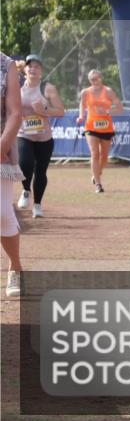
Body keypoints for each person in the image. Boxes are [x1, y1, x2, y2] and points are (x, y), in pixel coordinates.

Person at [16, 55, 65, 218]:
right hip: (23, 134)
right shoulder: (18, 89)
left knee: (41, 172)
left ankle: (37, 205)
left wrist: (44, 112)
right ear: (24, 70)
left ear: (41, 71)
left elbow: (60, 111)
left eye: (37, 66)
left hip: (44, 138)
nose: (33, 69)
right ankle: (25, 190)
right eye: (30, 66)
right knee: (25, 164)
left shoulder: (48, 88)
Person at [76, 69, 123, 194]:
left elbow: (120, 108)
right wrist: (81, 116)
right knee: (95, 154)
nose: (94, 81)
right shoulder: (85, 92)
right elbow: (82, 105)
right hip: (91, 127)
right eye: (92, 79)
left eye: (96, 78)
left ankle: (97, 173)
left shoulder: (108, 91)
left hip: (106, 127)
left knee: (104, 156)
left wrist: (107, 112)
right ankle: (98, 184)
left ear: (101, 78)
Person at [1, 52, 25, 297]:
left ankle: (15, 267)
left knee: (2, 213)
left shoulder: (6, 65)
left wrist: (2, 146)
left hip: (1, 147)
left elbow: (15, 113)